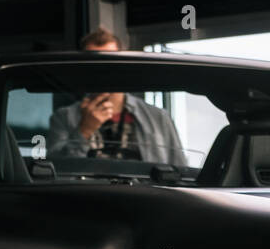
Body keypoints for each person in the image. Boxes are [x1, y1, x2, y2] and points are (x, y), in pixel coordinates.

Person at [47, 27, 186, 167]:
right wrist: (85, 130)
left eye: (110, 63)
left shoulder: (159, 117)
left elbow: (179, 171)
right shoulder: (63, 117)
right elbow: (55, 171)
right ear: (84, 70)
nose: (103, 72)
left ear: (122, 66)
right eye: (94, 64)